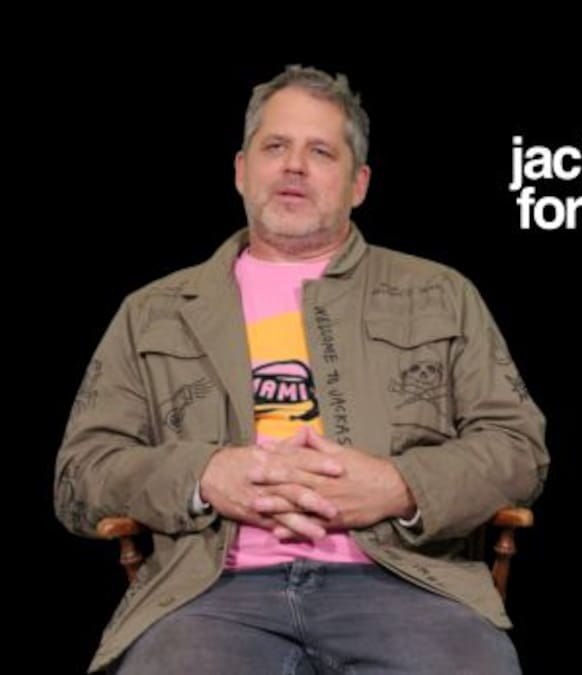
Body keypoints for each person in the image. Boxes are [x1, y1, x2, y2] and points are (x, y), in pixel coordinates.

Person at [54, 64, 549, 674]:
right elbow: (79, 476)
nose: (294, 166)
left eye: (320, 151)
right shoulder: (153, 311)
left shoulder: (440, 294)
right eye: (275, 147)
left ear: (358, 184)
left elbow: (519, 449)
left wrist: (400, 485)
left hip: (404, 582)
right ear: (241, 170)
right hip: (208, 595)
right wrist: (203, 475)